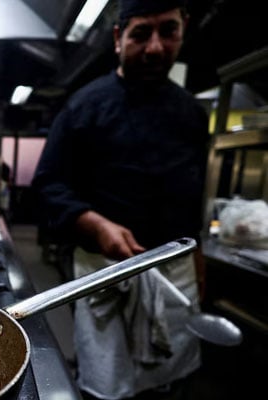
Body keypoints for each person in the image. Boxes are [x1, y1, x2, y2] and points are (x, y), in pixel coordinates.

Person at [32, 0, 209, 399]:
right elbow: (49, 187)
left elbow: (192, 200)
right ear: (118, 38)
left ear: (183, 32)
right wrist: (94, 223)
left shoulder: (192, 115)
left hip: (173, 272)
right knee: (106, 384)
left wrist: (197, 263)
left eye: (168, 32)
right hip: (106, 270)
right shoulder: (83, 106)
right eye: (141, 34)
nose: (155, 47)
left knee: (167, 381)